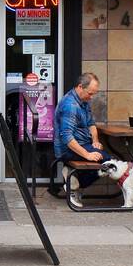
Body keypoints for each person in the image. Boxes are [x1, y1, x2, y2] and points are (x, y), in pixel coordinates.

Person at [53, 72, 111, 207]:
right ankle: (73, 185)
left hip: (83, 143)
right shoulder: (70, 105)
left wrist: (95, 141)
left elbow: (91, 123)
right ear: (80, 87)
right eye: (90, 93)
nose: (91, 97)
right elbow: (66, 137)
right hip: (66, 149)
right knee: (107, 162)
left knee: (104, 160)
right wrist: (87, 155)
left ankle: (74, 180)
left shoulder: (83, 101)